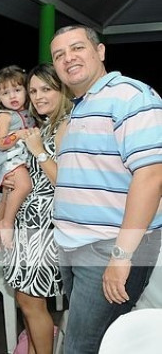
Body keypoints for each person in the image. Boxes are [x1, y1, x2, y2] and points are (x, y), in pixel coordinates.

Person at [50, 25, 162, 353]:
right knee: (94, 342)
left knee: (81, 346)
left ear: (100, 52)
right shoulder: (80, 107)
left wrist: (122, 256)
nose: (68, 58)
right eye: (59, 55)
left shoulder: (131, 96)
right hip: (74, 246)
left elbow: (152, 175)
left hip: (109, 248)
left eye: (77, 48)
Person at [1, 63, 72, 354]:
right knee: (24, 299)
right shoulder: (45, 125)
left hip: (45, 224)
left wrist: (39, 151)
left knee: (32, 300)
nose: (38, 96)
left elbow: (65, 182)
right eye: (33, 91)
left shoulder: (67, 124)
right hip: (28, 222)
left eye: (46, 89)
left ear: (62, 90)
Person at [0, 66, 36, 249]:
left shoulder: (30, 112)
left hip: (23, 158)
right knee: (24, 186)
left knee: (7, 197)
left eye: (17, 90)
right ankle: (7, 222)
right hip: (11, 158)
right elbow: (1, 142)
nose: (12, 96)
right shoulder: (4, 116)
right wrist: (18, 135)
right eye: (5, 93)